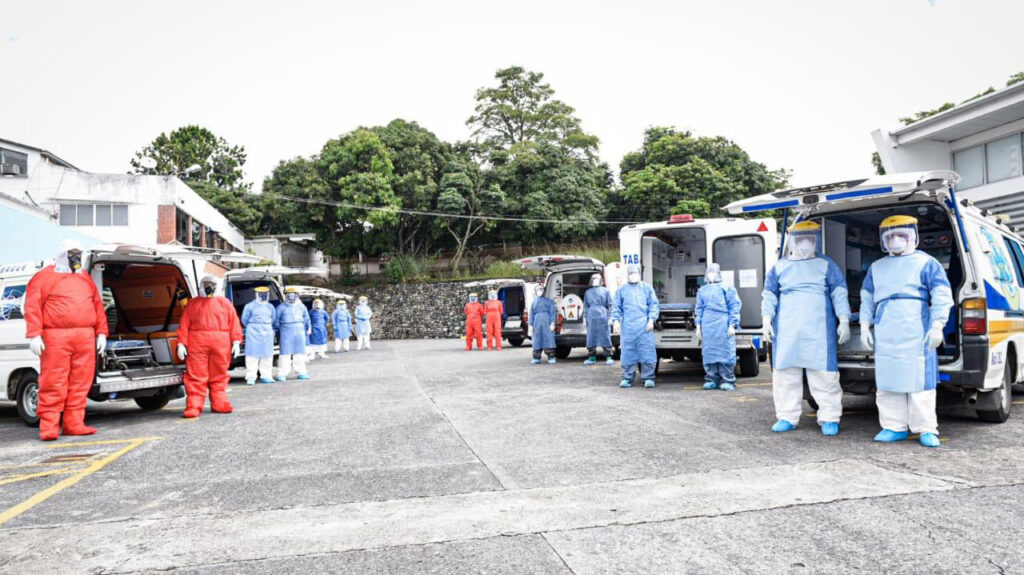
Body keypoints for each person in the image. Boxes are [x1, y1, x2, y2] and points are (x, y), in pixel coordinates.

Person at [860, 216, 953, 448]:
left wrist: (937, 325)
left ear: (913, 236)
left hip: (916, 328)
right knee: (888, 380)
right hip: (886, 329)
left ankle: (926, 428)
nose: (896, 240)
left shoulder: (927, 263)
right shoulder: (877, 267)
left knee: (920, 381)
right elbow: (867, 298)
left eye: (901, 235)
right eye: (890, 236)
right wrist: (864, 325)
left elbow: (942, 295)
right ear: (883, 240)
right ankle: (893, 426)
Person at [762, 220, 850, 436]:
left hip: (818, 331)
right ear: (792, 240)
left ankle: (829, 417)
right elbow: (769, 294)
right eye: (800, 239)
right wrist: (766, 319)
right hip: (787, 331)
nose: (804, 244)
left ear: (816, 241)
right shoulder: (780, 266)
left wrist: (844, 319)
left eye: (809, 239)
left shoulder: (826, 264)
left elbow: (839, 292)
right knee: (785, 375)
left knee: (824, 376)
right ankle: (786, 416)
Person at [25, 239, 108, 440]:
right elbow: (32, 305)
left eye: (79, 252)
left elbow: (97, 305)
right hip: (55, 337)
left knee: (81, 381)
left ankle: (74, 423)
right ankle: (49, 427)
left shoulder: (84, 278)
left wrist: (102, 332)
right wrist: (34, 333)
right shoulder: (44, 277)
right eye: (73, 252)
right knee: (53, 380)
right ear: (63, 253)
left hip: (85, 337)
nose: (76, 256)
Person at [176, 275, 243, 418]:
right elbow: (184, 324)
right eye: (206, 283)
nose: (209, 286)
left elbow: (234, 323)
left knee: (219, 375)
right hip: (198, 344)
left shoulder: (225, 303)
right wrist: (182, 343)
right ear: (201, 285)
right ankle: (194, 406)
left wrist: (236, 341)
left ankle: (220, 403)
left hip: (220, 344)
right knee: (196, 375)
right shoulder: (193, 304)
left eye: (212, 283)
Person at [611, 264, 660, 388]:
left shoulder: (646, 288)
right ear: (628, 275)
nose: (634, 276)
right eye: (631, 274)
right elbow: (616, 306)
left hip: (644, 327)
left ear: (640, 274)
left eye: (636, 273)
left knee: (647, 351)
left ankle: (648, 377)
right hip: (628, 327)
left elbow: (653, 305)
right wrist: (615, 321)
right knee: (628, 352)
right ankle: (627, 377)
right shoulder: (621, 290)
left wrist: (651, 320)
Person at [696, 263, 742, 391]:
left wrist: (733, 325)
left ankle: (728, 380)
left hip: (723, 324)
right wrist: (698, 326)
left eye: (713, 273)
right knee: (709, 352)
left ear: (719, 274)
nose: (711, 275)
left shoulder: (727, 288)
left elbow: (734, 306)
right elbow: (698, 309)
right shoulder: (702, 291)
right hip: (707, 325)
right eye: (709, 273)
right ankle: (712, 379)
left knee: (725, 351)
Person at [274, 286, 311, 381]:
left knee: (299, 353)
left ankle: (301, 372)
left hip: (299, 331)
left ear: (297, 295)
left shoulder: (301, 306)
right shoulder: (281, 307)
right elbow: (276, 321)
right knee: (285, 354)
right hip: (286, 331)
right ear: (286, 296)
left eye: (293, 295)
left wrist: (308, 328)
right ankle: (282, 373)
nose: (291, 297)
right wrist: (280, 330)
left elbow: (306, 318)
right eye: (289, 295)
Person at [240, 286, 276, 385]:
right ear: (256, 294)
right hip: (253, 332)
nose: (263, 296)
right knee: (252, 355)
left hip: (267, 331)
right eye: (261, 294)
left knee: (267, 355)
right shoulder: (249, 306)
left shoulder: (270, 307)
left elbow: (273, 318)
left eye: (265, 294)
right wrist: (254, 326)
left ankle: (266, 375)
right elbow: (244, 319)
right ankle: (251, 377)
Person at [583, 273, 614, 366]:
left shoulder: (606, 291)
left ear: (601, 280)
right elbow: (585, 306)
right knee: (591, 336)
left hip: (603, 316)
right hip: (591, 316)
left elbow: (611, 305)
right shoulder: (588, 292)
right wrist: (585, 318)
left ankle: (608, 356)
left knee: (605, 335)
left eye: (596, 279)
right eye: (593, 279)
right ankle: (592, 357)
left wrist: (611, 317)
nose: (594, 281)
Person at [529, 285, 558, 364]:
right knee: (537, 339)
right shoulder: (533, 302)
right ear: (535, 291)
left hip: (547, 322)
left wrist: (552, 323)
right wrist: (530, 325)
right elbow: (531, 314)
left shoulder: (549, 301)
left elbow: (552, 313)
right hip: (537, 323)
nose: (539, 291)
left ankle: (551, 356)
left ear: (544, 291)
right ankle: (536, 357)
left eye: (541, 289)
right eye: (538, 290)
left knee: (548, 338)